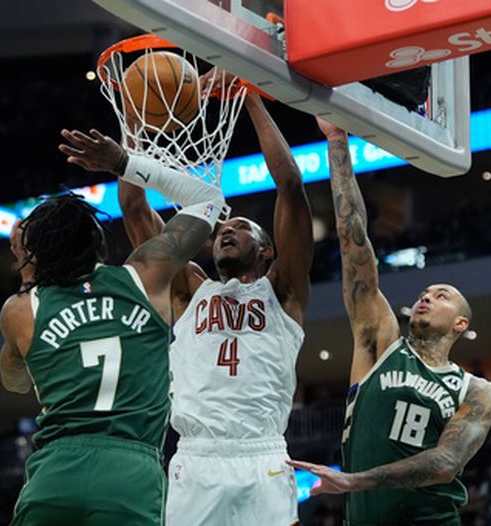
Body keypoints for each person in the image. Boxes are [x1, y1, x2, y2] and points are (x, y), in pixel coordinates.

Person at [63, 90, 313, 525]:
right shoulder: (187, 288)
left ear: (268, 251)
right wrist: (132, 131)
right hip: (197, 456)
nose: (226, 231)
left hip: (263, 452)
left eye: (241, 228)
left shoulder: (284, 293)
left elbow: (290, 185)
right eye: (222, 229)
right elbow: (134, 206)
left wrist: (249, 96)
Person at [0, 130, 228, 525]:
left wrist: (28, 273)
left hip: (55, 473)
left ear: (32, 254)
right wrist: (123, 163)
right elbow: (209, 200)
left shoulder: (21, 310)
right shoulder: (146, 275)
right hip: (130, 471)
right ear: (96, 238)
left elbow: (15, 382)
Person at [288, 120, 491, 526]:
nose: (426, 297)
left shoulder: (476, 390)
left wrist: (356, 481)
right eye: (425, 293)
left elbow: (445, 462)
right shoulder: (380, 344)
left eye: (441, 296)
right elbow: (354, 244)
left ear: (459, 324)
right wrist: (337, 143)